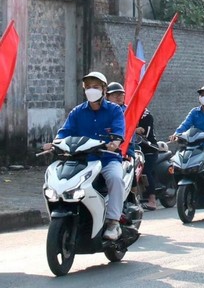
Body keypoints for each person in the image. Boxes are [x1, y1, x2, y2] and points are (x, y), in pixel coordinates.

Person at [45, 72, 126, 240]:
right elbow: (64, 132)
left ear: (104, 90)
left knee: (116, 179)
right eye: (88, 87)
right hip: (82, 160)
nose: (91, 90)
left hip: (107, 159)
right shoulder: (77, 112)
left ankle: (113, 222)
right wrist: (55, 143)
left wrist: (115, 143)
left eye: (95, 87)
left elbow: (119, 131)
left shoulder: (115, 110)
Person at [170, 86, 204, 202]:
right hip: (197, 146)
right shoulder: (194, 112)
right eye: (202, 95)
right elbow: (185, 124)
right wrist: (176, 134)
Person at [106, 82, 157, 210]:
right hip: (105, 148)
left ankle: (133, 199)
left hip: (126, 148)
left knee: (130, 171)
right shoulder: (104, 111)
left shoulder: (130, 111)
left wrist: (134, 129)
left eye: (121, 94)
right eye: (114, 95)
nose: (118, 97)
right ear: (107, 96)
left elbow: (133, 127)